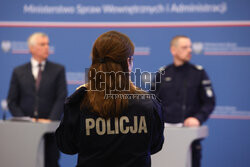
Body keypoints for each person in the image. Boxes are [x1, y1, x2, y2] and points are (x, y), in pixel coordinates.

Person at [55, 31, 164, 167]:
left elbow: (66, 146)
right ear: (128, 62)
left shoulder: (78, 101)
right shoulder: (148, 103)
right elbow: (155, 146)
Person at [151, 35, 215, 167]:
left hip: (188, 137)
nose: (190, 50)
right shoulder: (162, 73)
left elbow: (209, 102)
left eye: (190, 47)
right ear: (173, 50)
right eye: (185, 47)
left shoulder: (198, 73)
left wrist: (198, 118)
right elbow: (151, 102)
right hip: (164, 136)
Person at [7, 32, 67, 167]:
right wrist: (26, 121)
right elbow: (12, 101)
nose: (47, 47)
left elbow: (61, 97)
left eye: (48, 44)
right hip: (24, 133)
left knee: (51, 163)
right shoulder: (18, 71)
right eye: (42, 44)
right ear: (31, 48)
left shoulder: (58, 70)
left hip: (50, 132)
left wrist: (50, 121)